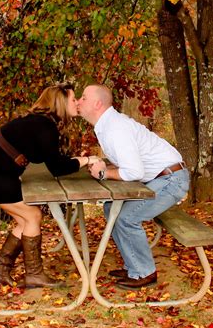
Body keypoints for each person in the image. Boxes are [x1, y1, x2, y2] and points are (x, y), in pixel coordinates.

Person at [0, 83, 96, 289]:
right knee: (33, 216)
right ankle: (34, 275)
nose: (77, 103)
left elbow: (41, 157)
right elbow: (57, 167)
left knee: (25, 220)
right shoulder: (44, 126)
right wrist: (87, 160)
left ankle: (1, 271)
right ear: (60, 103)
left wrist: (77, 160)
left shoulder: (39, 123)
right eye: (73, 99)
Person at [77, 84, 189, 290]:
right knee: (112, 208)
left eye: (83, 97)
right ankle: (133, 265)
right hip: (160, 177)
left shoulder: (116, 128)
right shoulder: (107, 125)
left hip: (171, 179)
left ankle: (144, 272)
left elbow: (134, 172)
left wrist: (103, 173)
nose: (78, 101)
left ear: (97, 104)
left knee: (127, 217)